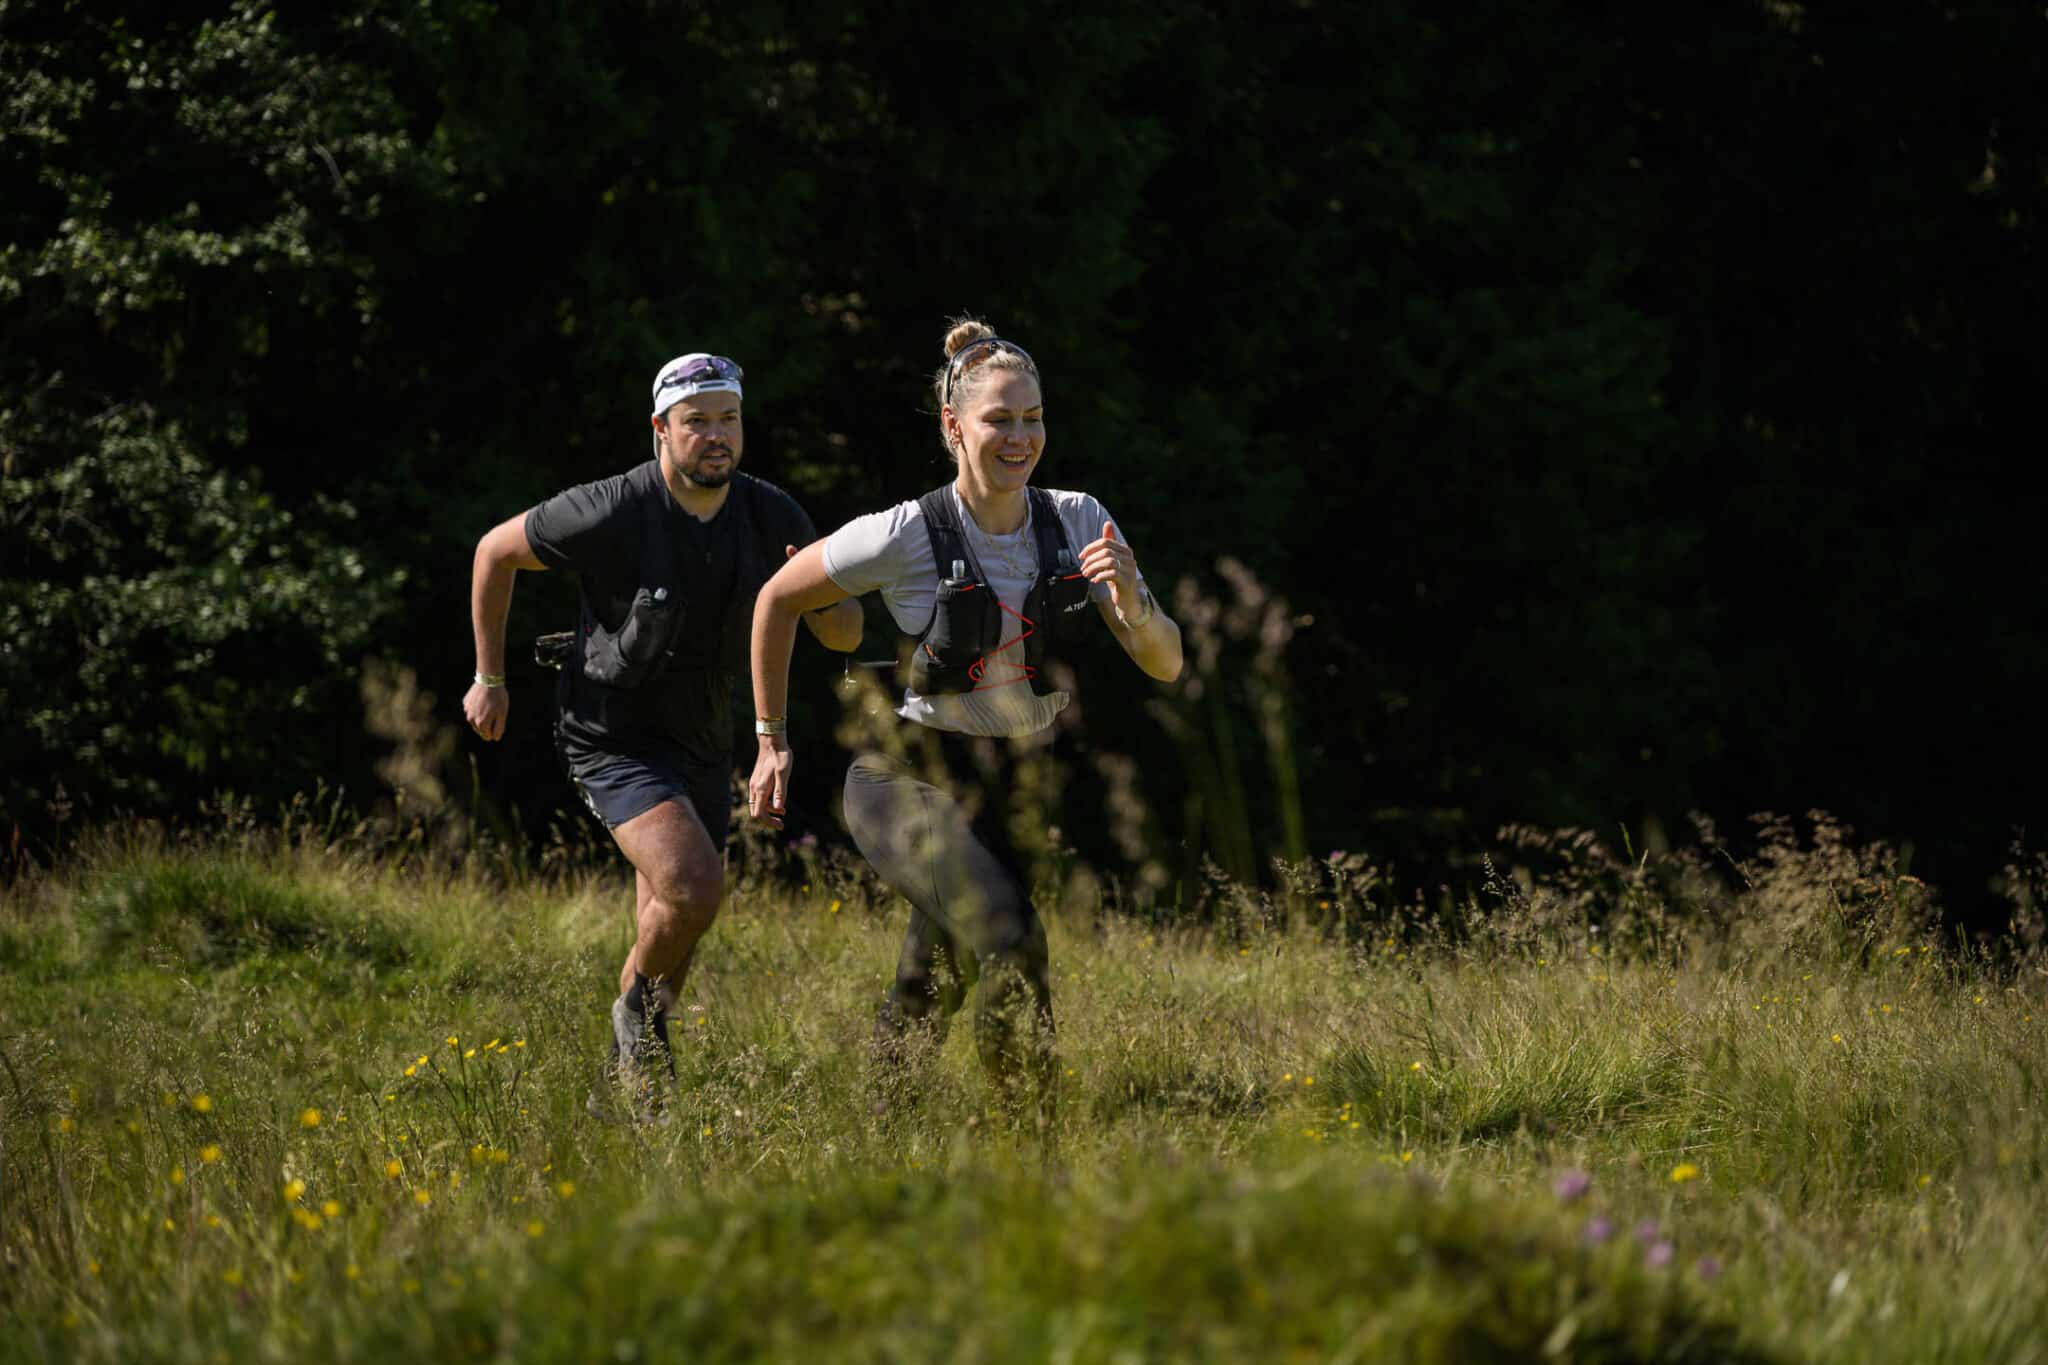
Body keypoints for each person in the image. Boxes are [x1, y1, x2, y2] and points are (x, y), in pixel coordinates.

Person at [746, 318, 1183, 1126]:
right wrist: (772, 740)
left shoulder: (1082, 518)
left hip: (1008, 783)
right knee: (1010, 940)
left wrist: (1135, 599)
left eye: (1033, 418)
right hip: (904, 776)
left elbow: (1166, 660)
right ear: (955, 427)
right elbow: (778, 598)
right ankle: (1032, 1142)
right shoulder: (907, 531)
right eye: (1000, 420)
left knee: (934, 974)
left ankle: (880, 1124)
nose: (1021, 438)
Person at [463, 352, 862, 1116]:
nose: (717, 435)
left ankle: (619, 1092)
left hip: (704, 738)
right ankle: (635, 1033)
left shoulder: (772, 514)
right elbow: (493, 552)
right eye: (698, 421)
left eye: (729, 419)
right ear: (661, 429)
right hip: (609, 732)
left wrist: (823, 586)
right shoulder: (611, 507)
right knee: (694, 885)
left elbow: (843, 634)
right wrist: (489, 676)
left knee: (672, 921)